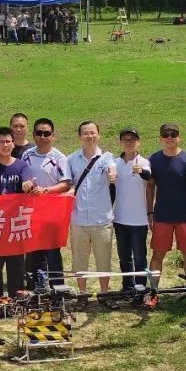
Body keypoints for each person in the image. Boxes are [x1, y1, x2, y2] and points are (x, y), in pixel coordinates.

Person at [144, 124, 186, 309]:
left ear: (179, 137)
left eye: (173, 134)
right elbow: (150, 186)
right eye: (165, 135)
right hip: (162, 215)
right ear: (160, 138)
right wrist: (150, 211)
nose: (169, 137)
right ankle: (153, 292)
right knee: (158, 254)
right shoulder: (154, 159)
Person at [0, 127, 35, 312]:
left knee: (16, 266)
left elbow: (27, 181)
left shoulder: (21, 165)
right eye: (1, 142)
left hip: (15, 224)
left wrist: (28, 185)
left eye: (8, 141)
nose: (5, 145)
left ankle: (16, 302)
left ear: (13, 143)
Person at [66, 121, 117, 299]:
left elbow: (112, 170)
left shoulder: (107, 157)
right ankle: (82, 294)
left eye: (93, 132)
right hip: (78, 219)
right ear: (80, 136)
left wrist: (112, 175)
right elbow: (67, 182)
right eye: (86, 133)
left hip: (102, 219)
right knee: (80, 260)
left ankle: (104, 293)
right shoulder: (71, 159)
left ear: (99, 134)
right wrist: (71, 188)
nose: (90, 136)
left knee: (104, 259)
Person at [21, 118, 72, 286]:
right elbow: (23, 176)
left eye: (47, 133)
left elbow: (66, 184)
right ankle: (35, 286)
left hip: (52, 211)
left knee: (52, 251)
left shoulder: (59, 157)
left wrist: (46, 190)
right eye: (39, 133)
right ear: (34, 135)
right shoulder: (27, 154)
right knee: (33, 250)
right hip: (31, 211)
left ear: (53, 136)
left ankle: (57, 287)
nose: (43, 137)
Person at [112, 128, 151, 302]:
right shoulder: (115, 163)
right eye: (125, 139)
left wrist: (140, 171)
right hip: (119, 218)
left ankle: (141, 288)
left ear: (138, 142)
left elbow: (149, 176)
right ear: (121, 142)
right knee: (124, 256)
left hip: (139, 219)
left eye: (132, 139)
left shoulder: (143, 162)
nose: (129, 142)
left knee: (140, 256)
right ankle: (127, 286)